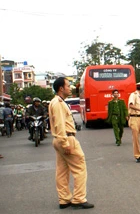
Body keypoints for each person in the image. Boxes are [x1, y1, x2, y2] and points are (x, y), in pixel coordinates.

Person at [49, 77, 94, 209]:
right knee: (80, 168)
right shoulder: (58, 103)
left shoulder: (57, 102)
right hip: (66, 138)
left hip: (60, 139)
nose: (70, 88)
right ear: (61, 88)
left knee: (62, 171)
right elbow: (59, 124)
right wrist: (65, 143)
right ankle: (79, 198)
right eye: (68, 86)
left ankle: (64, 199)